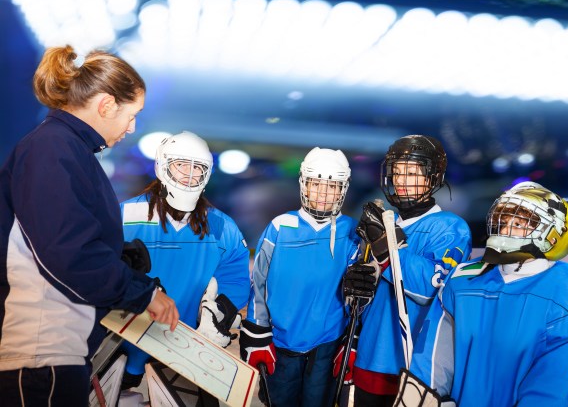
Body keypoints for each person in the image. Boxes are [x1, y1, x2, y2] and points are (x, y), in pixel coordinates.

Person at [0, 45, 178, 406]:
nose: (132, 127)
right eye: (132, 115)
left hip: (55, 351)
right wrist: (142, 293)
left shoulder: (68, 150)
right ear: (107, 105)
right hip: (40, 354)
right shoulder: (52, 149)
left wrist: (122, 265)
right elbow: (69, 253)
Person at [395, 181, 568, 407]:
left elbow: (555, 386)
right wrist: (425, 399)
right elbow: (433, 355)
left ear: (553, 235)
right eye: (503, 222)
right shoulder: (461, 279)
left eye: (519, 223)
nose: (505, 230)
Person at [340, 135, 472, 407]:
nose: (401, 180)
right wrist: (355, 289)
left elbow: (431, 288)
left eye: (411, 172)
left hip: (413, 365)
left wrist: (388, 250)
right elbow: (361, 300)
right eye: (397, 172)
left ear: (432, 177)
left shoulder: (449, 227)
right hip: (369, 356)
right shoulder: (380, 225)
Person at [118, 131, 251, 395]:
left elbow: (236, 279)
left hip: (186, 352)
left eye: (198, 168)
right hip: (121, 345)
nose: (189, 175)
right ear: (163, 166)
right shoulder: (124, 214)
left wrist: (219, 312)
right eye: (181, 166)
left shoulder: (222, 226)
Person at [239, 147, 360, 407]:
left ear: (343, 189)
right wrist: (257, 331)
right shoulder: (281, 226)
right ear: (304, 184)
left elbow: (358, 293)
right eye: (317, 184)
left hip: (327, 343)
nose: (323, 193)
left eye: (332, 186)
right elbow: (258, 283)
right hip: (281, 341)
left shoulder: (351, 232)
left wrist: (354, 338)